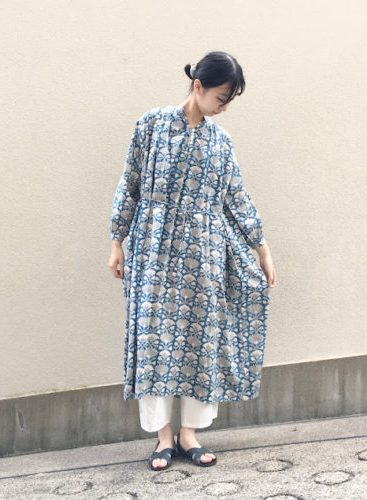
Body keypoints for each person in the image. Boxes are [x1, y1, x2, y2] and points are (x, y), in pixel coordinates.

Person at [108, 51, 277, 471]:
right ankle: (163, 437)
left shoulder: (221, 141)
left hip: (205, 252)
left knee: (202, 338)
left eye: (230, 100)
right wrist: (117, 241)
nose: (224, 107)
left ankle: (190, 435)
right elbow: (130, 183)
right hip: (153, 248)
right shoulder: (150, 125)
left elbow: (236, 196)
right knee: (154, 338)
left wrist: (262, 250)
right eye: (221, 97)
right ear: (198, 86)